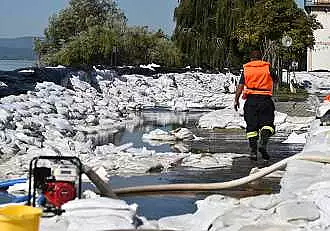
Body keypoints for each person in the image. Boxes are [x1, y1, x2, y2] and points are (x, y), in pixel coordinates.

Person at [234, 50, 277, 161]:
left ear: (251, 59)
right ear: (260, 58)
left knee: (251, 127)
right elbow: (276, 80)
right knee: (267, 124)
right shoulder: (267, 67)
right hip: (265, 100)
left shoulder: (246, 70)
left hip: (251, 101)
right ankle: (263, 142)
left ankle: (253, 151)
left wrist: (236, 99)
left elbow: (240, 86)